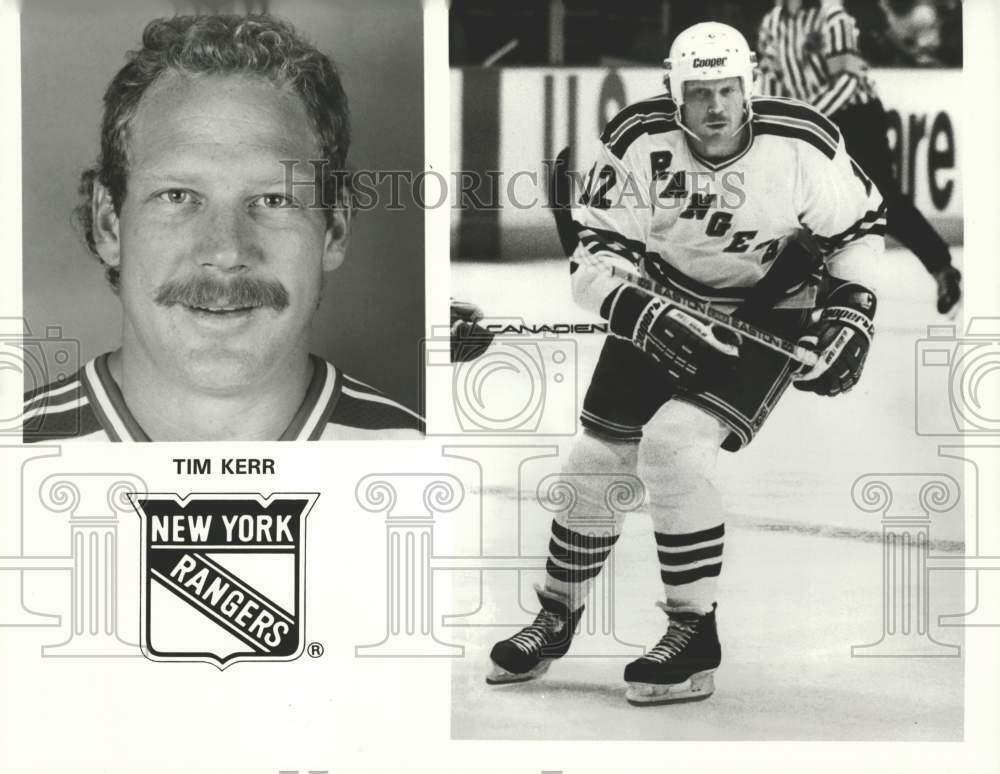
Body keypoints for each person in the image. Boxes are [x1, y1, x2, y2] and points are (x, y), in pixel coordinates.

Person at [487, 22, 884, 705]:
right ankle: (555, 615)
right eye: (700, 93)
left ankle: (693, 631)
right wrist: (639, 309)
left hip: (770, 317)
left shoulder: (804, 142)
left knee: (673, 448)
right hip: (666, 305)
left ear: (749, 86)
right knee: (593, 459)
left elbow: (859, 230)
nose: (717, 107)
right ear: (675, 92)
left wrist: (853, 312)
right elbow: (596, 259)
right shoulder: (639, 139)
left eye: (728, 89)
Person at [22, 14, 422, 442]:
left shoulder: (433, 473)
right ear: (108, 223)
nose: (227, 251)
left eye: (274, 200)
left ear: (335, 229)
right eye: (177, 196)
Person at [757, 0, 961, 314]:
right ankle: (811, 291)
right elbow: (771, 80)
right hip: (811, 124)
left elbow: (848, 79)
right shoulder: (772, 23)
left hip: (856, 116)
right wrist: (779, 122)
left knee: (883, 199)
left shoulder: (831, 15)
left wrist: (809, 118)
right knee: (804, 205)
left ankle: (941, 268)